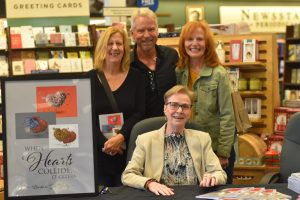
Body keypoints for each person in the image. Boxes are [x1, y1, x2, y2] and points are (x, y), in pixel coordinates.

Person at [122, 85, 226, 196]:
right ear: (165, 109)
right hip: (160, 197)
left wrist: (213, 177)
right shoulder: (145, 140)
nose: (180, 110)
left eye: (185, 106)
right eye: (174, 105)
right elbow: (128, 175)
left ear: (190, 111)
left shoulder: (202, 138)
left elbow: (220, 173)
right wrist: (150, 183)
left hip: (193, 196)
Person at [176, 21, 236, 184]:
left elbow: (227, 116)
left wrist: (223, 153)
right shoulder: (179, 72)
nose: (194, 44)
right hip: (188, 148)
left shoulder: (219, 74)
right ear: (183, 43)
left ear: (207, 43)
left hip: (214, 149)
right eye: (189, 39)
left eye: (199, 39)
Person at [88, 26, 145, 186]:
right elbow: (86, 118)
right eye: (110, 43)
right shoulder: (89, 78)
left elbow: (139, 113)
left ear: (125, 48)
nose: (115, 48)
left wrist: (120, 137)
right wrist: (106, 144)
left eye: (119, 44)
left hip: (129, 153)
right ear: (102, 47)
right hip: (99, 155)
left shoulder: (136, 77)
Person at [130, 8, 179, 118]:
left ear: (157, 31)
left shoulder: (171, 56)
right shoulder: (126, 63)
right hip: (140, 129)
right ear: (132, 34)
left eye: (151, 29)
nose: (147, 35)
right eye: (141, 31)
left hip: (172, 125)